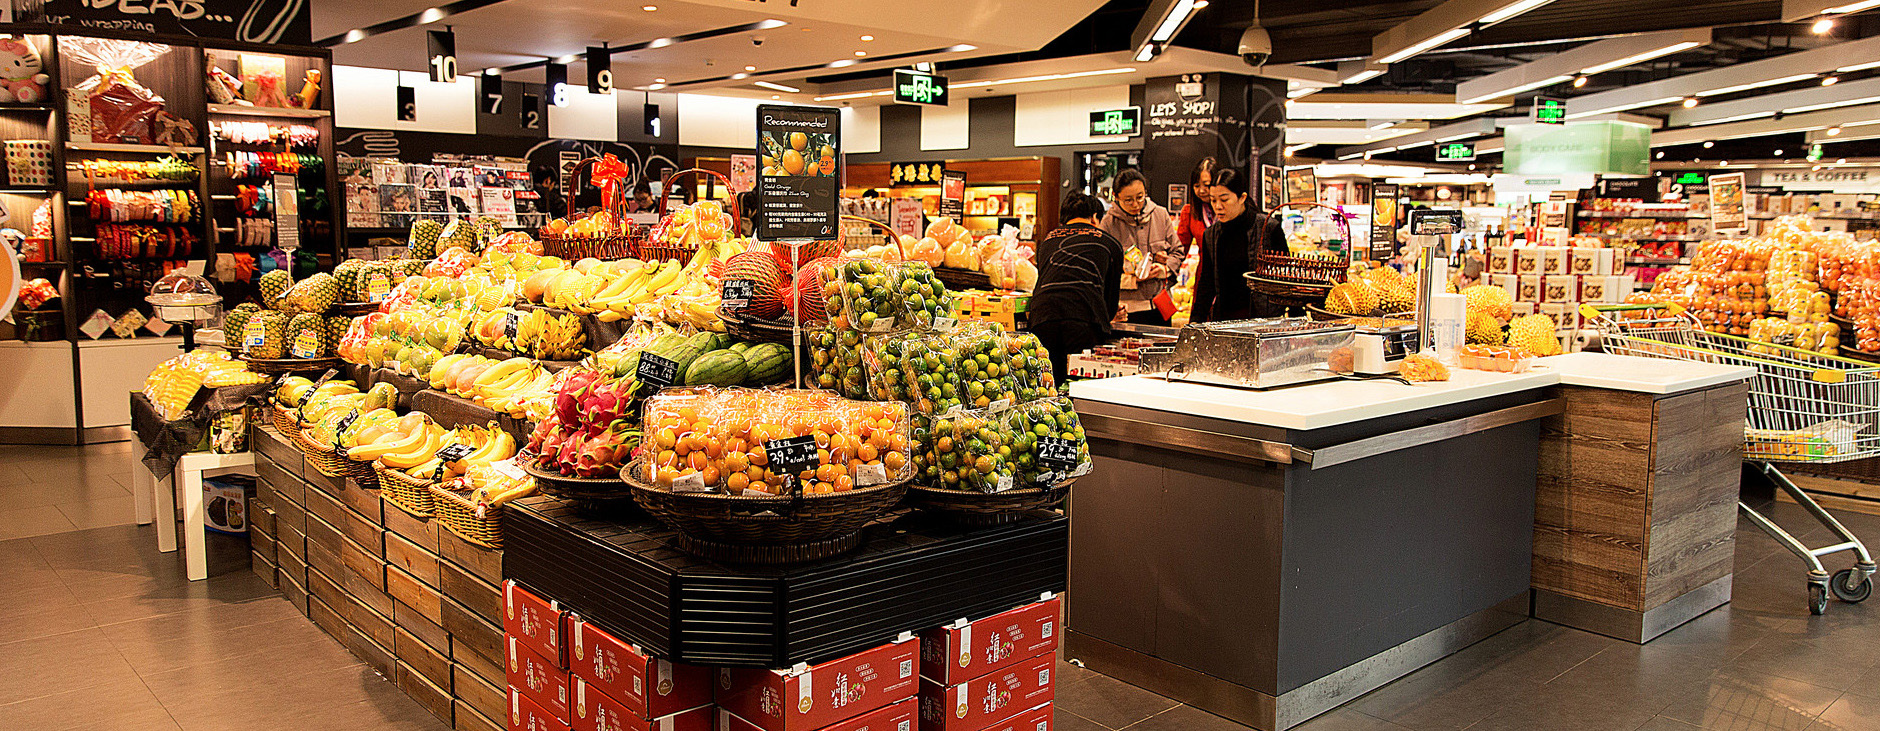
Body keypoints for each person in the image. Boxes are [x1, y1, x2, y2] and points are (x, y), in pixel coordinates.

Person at [1028, 191, 1126, 384]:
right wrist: (1108, 316)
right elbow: (1110, 298)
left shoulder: (1047, 241)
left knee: (1048, 384)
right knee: (1079, 385)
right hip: (1084, 319)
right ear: (1095, 217)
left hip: (1042, 317)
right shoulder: (1110, 243)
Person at [1190, 168, 1285, 322]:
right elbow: (1207, 284)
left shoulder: (1268, 228)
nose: (1218, 206)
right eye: (1213, 200)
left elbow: (1286, 280)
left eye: (1224, 200)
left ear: (1242, 198)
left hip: (1263, 322)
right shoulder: (1211, 235)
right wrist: (1195, 322)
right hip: (1224, 321)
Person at [1099, 169, 1180, 322]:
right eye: (1128, 200)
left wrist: (1163, 269)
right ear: (1116, 197)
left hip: (1159, 306)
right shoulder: (1108, 224)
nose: (1135, 204)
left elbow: (1178, 252)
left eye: (1140, 197)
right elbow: (1103, 272)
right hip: (1126, 309)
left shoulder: (1160, 215)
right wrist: (1133, 280)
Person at [1176, 157, 1218, 253]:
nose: (1201, 191)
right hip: (1204, 263)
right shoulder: (1190, 212)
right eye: (1197, 186)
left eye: (1207, 185)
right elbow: (1180, 249)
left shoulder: (1230, 210)